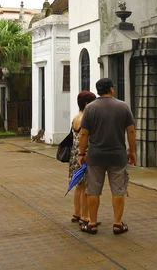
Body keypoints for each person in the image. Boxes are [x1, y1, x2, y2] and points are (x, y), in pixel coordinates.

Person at [78, 78, 136, 235]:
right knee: (118, 190)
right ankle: (117, 224)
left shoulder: (90, 108)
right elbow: (131, 131)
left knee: (93, 190)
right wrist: (132, 151)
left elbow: (84, 133)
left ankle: (92, 223)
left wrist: (82, 153)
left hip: (95, 156)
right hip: (117, 155)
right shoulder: (123, 106)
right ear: (111, 89)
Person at [68, 91, 96, 227]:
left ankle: (76, 213)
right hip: (83, 154)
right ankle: (85, 216)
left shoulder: (76, 117)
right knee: (85, 186)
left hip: (74, 154)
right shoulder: (86, 118)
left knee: (78, 185)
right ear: (87, 103)